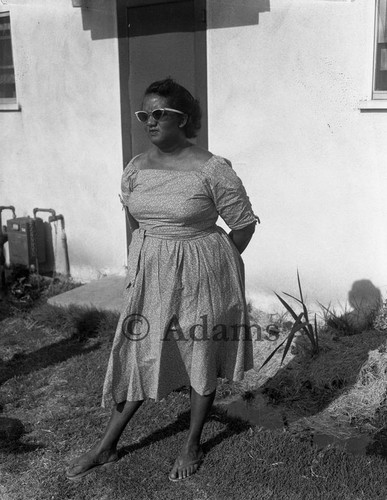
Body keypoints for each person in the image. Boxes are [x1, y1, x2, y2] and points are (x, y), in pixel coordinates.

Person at [66, 78, 259, 482]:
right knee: (140, 352)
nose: (149, 121)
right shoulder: (136, 167)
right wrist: (155, 256)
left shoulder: (213, 170)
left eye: (159, 114)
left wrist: (211, 266)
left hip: (203, 275)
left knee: (199, 353)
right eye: (144, 114)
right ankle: (106, 447)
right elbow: (138, 217)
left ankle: (191, 443)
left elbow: (241, 226)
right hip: (151, 274)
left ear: (183, 119)